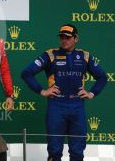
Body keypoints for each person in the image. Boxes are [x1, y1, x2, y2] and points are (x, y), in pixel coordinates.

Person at [21, 24, 107, 161]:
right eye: (62, 37)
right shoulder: (50, 55)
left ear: (76, 38)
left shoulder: (84, 56)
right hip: (56, 106)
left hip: (77, 106)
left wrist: (92, 93)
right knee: (54, 152)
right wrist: (42, 91)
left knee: (77, 152)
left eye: (68, 37)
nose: (64, 40)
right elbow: (27, 73)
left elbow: (102, 77)